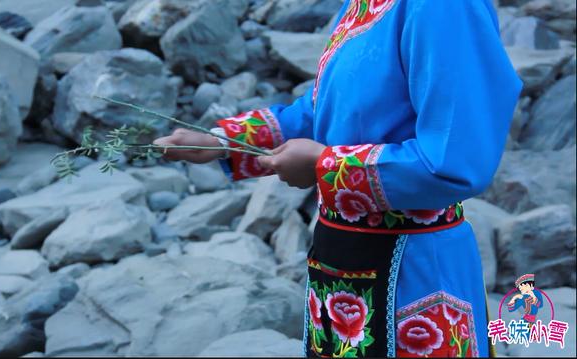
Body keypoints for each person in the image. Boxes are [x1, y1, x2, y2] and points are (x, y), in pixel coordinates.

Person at [154, 0, 522, 357]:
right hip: (341, 265)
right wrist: (223, 142)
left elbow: (454, 162)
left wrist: (324, 164)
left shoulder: (446, 7)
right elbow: (326, 111)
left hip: (415, 272)